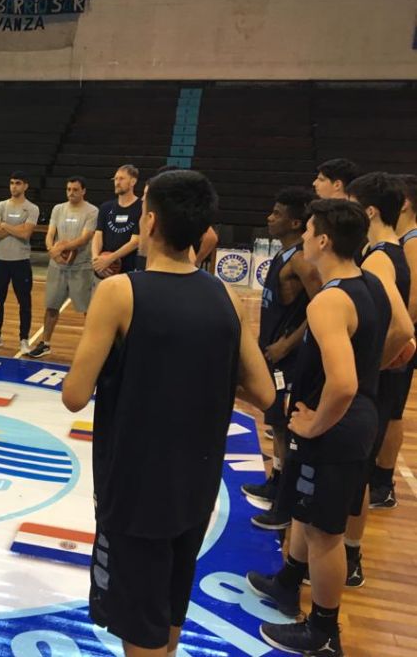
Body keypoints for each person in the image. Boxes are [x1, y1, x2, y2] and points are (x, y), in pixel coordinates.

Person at [62, 169, 274, 656]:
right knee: (169, 609)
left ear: (151, 222)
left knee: (140, 626)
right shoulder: (225, 295)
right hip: (196, 484)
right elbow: (264, 392)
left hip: (136, 489)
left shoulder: (120, 292)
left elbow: (74, 394)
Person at [250, 199, 411, 654]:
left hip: (336, 426)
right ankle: (287, 582)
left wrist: (315, 424)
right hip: (356, 417)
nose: (302, 238)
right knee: (306, 513)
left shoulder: (329, 301)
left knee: (324, 534)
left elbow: (342, 384)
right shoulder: (371, 283)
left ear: (323, 240)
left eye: (308, 232)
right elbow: (404, 337)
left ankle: (323, 632)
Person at [341, 172, 411, 586]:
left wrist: (372, 364)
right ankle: (348, 552)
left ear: (368, 211)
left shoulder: (380, 258)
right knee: (358, 472)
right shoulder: (386, 251)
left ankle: (350, 557)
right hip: (379, 382)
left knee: (356, 472)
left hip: (375, 384)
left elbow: (402, 328)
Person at [244, 188, 322, 531]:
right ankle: (276, 480)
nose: (269, 218)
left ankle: (285, 504)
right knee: (275, 423)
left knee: (287, 428)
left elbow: (321, 305)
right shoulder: (282, 252)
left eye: (277, 213)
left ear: (294, 222)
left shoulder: (301, 261)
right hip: (272, 351)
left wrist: (287, 345)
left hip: (288, 358)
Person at [370, 173, 417, 507]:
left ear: (404, 203)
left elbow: (412, 302)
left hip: (402, 341)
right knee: (388, 412)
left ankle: (383, 482)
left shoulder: (411, 241)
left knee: (392, 413)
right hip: (398, 339)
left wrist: (394, 343)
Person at [26, 177, 97, 359]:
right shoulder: (58, 209)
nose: (71, 193)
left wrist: (62, 248)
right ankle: (45, 344)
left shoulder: (92, 211)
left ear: (83, 191)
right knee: (51, 306)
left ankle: (92, 348)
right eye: (68, 189)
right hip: (57, 266)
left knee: (87, 310)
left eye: (75, 189)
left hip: (81, 267)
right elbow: (50, 234)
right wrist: (52, 250)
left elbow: (85, 238)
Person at [0, 172, 39, 354]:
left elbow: (26, 234)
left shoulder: (32, 208)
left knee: (24, 303)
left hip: (21, 261)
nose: (14, 186)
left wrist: (5, 225)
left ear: (25, 186)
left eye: (18, 183)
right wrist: (16, 228)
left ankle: (24, 339)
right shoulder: (1, 206)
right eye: (12, 183)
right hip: (0, 261)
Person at [92, 164, 142, 277]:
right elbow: (98, 235)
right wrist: (96, 260)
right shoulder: (105, 207)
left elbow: (136, 241)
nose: (117, 182)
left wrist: (110, 259)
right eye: (115, 179)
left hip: (129, 270)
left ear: (133, 182)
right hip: (104, 268)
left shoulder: (141, 207)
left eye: (121, 179)